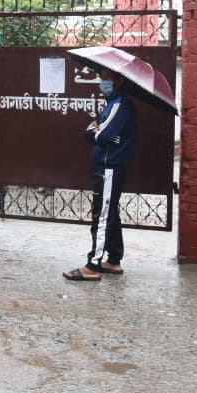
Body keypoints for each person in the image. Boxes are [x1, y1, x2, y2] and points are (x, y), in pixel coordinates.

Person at [63, 72, 138, 282]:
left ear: (118, 81)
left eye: (107, 77)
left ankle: (92, 265)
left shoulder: (119, 105)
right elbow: (103, 133)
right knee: (110, 211)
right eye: (101, 76)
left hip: (109, 168)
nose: (102, 81)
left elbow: (101, 135)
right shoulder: (113, 103)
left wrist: (91, 130)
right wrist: (97, 130)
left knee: (102, 216)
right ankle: (114, 260)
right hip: (108, 166)